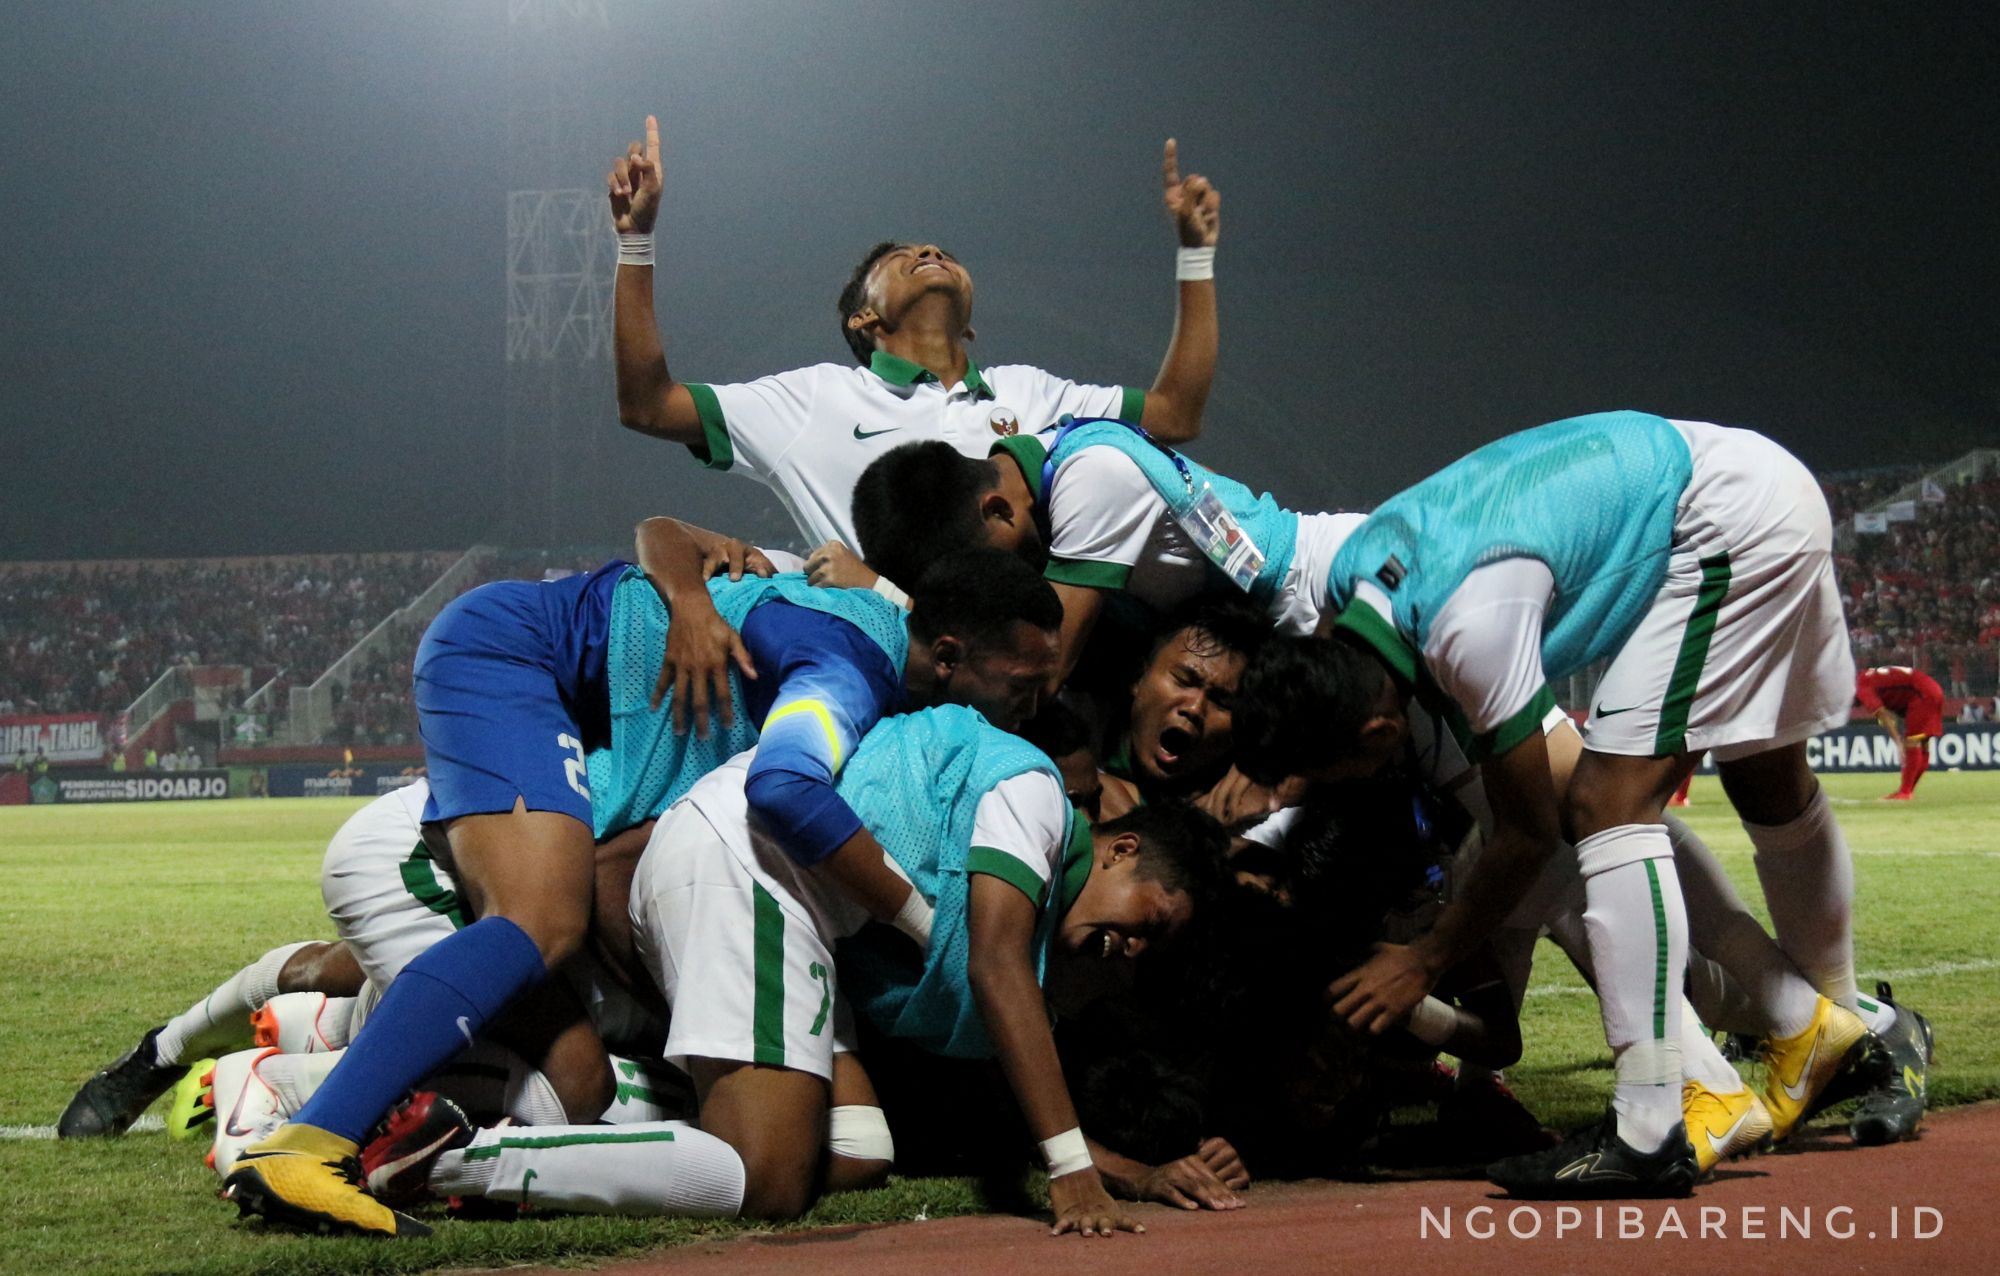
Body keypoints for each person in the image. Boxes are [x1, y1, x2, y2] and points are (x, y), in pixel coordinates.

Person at [221, 526, 1063, 1237]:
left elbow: (669, 531)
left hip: (544, 684)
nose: (1029, 714)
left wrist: (698, 597)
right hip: (512, 655)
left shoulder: (865, 611)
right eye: (1023, 690)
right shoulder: (848, 672)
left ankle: (312, 1048)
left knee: (571, 994)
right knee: (543, 921)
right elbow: (784, 786)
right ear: (948, 657)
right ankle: (310, 1138)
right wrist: (925, 928)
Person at [1228, 411, 1931, 1197]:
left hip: (1726, 517)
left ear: (1378, 729)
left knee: (1605, 802)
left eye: (1342, 769)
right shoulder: (1358, 578)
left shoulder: (1468, 626)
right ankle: (1834, 1031)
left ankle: (1650, 1124)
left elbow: (1530, 834)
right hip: (1728, 482)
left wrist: (1422, 960)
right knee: (1763, 776)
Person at [383, 708, 1225, 1235]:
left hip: (785, 907)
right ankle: (452, 1158)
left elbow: (1013, 1087)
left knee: (856, 1148)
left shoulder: (1035, 944)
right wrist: (1074, 1173)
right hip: (753, 867)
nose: (1137, 949)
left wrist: (1137, 1171)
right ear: (1119, 848)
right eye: (1153, 919)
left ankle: (421, 1069)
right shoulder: (1034, 798)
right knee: (766, 1175)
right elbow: (996, 966)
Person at [608, 113, 1221, 554]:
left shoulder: (1032, 393)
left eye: (939, 251)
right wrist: (636, 241)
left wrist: (1196, 255)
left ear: (970, 322)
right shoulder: (815, 399)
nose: (928, 249)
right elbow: (649, 405)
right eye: (898, 257)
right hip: (892, 668)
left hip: (1026, 669)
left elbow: (1174, 413)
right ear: (863, 318)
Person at [850, 419, 1365, 689]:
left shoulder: (1092, 476)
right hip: (1283, 630)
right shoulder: (1044, 477)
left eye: (983, 562)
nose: (991, 579)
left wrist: (876, 594)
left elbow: (1041, 671)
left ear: (999, 509)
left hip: (1334, 583)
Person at [1855, 664, 1946, 800]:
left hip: (1922, 695)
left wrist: (1897, 741)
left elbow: (1882, 713)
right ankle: (1907, 790)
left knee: (1912, 742)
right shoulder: (1868, 676)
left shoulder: (1861, 688)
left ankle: (1904, 792)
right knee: (1922, 743)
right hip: (1932, 689)